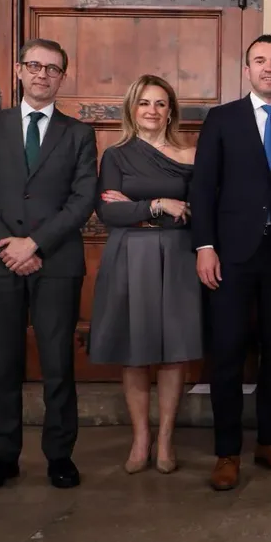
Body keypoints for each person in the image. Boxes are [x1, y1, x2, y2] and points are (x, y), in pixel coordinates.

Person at [0, 38, 97, 492]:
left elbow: (82, 200)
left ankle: (60, 455)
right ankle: (3, 454)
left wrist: (34, 242)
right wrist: (8, 246)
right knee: (4, 363)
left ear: (63, 77)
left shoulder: (79, 134)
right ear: (19, 70)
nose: (43, 75)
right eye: (34, 66)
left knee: (58, 362)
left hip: (56, 262)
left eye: (53, 69)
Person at [190, 34, 271, 491]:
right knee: (226, 353)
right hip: (229, 256)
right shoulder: (222, 120)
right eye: (260, 60)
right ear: (247, 70)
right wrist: (204, 245)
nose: (269, 68)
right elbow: (203, 188)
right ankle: (227, 452)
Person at [88, 75, 201, 475]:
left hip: (177, 254)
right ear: (132, 109)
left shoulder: (190, 155)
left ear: (171, 110)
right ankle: (141, 439)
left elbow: (199, 209)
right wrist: (158, 203)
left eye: (160, 103)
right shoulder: (116, 156)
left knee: (174, 351)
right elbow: (108, 212)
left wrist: (147, 205)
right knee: (134, 352)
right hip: (129, 256)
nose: (152, 111)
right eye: (144, 103)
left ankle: (167, 439)